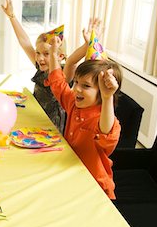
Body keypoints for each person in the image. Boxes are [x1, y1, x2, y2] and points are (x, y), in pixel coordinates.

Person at [1, 0, 103, 133]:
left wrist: (88, 43)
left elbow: (72, 61)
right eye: (38, 53)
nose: (40, 58)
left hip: (51, 127)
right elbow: (25, 42)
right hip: (35, 117)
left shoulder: (62, 74)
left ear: (60, 56)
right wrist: (12, 16)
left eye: (46, 54)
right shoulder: (40, 66)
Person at [47, 34, 122, 199]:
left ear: (102, 93)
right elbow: (58, 84)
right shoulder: (74, 103)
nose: (76, 89)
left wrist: (108, 97)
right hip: (70, 178)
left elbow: (107, 135)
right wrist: (53, 55)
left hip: (95, 189)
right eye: (76, 83)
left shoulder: (103, 118)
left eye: (86, 86)